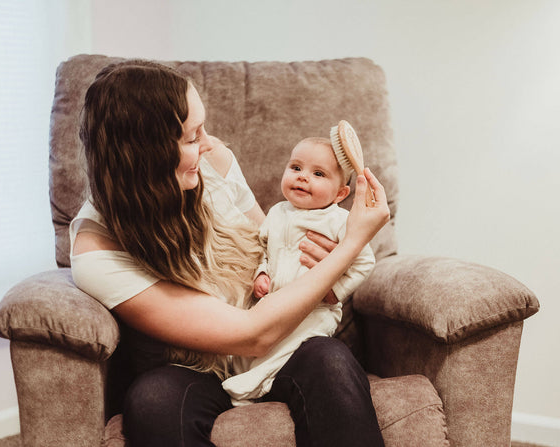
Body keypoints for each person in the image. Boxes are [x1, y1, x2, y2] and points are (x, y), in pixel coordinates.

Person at [70, 59, 390, 447]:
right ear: (146, 156)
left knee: (331, 358)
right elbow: (249, 335)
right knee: (152, 401)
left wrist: (320, 270)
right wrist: (354, 242)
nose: (208, 143)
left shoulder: (214, 162)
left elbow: (267, 244)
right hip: (198, 365)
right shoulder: (97, 248)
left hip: (283, 343)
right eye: (191, 137)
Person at [222, 137, 375, 405]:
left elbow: (364, 261)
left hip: (314, 313)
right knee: (255, 350)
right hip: (271, 305)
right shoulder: (277, 213)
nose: (303, 177)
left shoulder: (340, 221)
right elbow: (260, 247)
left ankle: (252, 387)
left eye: (318, 174)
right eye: (296, 168)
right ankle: (250, 377)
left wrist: (334, 292)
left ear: (340, 194)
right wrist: (260, 273)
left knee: (295, 347)